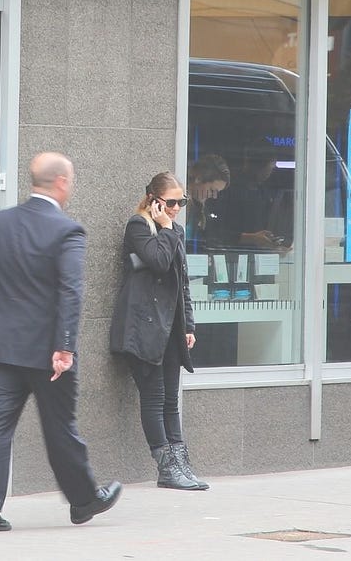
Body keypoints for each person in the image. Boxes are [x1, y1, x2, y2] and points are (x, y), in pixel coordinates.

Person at [0, 152, 122, 532]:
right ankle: (84, 501)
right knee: (59, 426)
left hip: (0, 346)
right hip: (48, 352)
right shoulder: (67, 230)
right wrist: (65, 348)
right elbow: (71, 293)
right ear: (62, 182)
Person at [110, 172, 208, 491]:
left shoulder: (174, 230)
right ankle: (166, 467)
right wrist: (165, 228)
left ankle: (181, 463)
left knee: (170, 400)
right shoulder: (139, 226)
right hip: (143, 328)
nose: (177, 207)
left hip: (169, 328)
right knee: (153, 398)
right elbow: (160, 261)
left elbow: (182, 282)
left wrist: (188, 324)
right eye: (172, 202)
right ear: (153, 199)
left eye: (182, 202)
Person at [184, 153, 230, 252]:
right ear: (198, 179)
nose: (214, 196)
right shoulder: (177, 204)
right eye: (212, 190)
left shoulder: (201, 209)